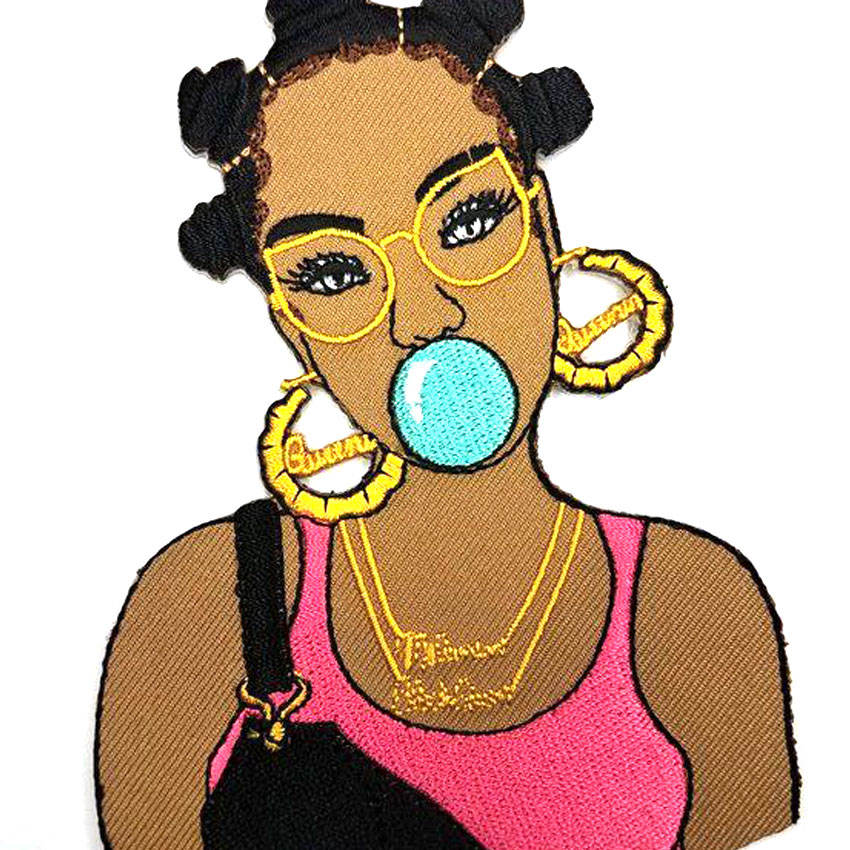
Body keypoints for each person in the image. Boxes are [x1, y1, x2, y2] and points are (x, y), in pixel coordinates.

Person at [96, 2, 799, 848]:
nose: (423, 315)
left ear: (543, 226)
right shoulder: (204, 607)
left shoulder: (692, 611)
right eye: (333, 273)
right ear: (293, 326)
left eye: (467, 223)